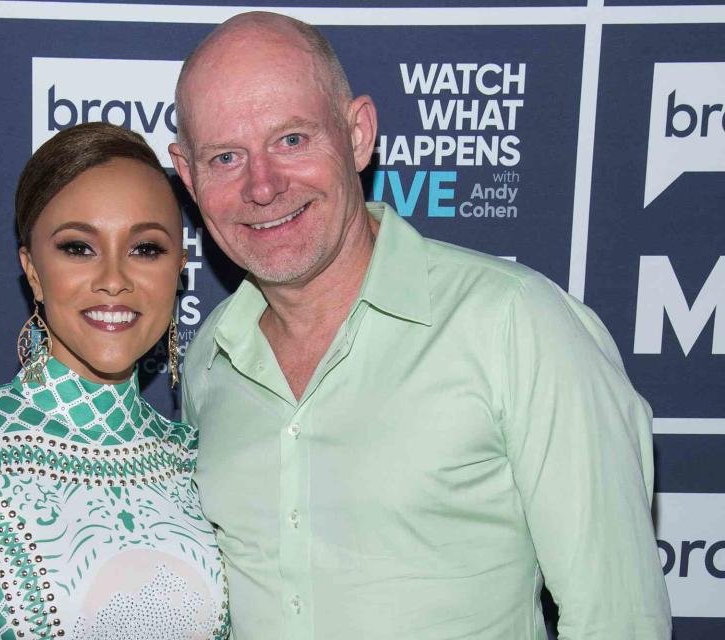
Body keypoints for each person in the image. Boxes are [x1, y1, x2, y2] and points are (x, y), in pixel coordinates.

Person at [169, 12, 671, 640]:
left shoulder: (515, 324)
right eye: (225, 157)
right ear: (188, 176)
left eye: (292, 140)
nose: (262, 185)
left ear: (357, 135)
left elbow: (618, 620)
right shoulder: (208, 359)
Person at [0, 123, 230, 640]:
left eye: (145, 249)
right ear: (32, 270)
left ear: (178, 271)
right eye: (78, 248)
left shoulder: (196, 460)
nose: (113, 279)